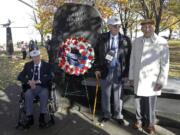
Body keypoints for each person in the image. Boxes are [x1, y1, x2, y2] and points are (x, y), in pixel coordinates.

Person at [128, 19, 169, 134]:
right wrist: (131, 77)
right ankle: (139, 120)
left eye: (149, 27)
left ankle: (151, 124)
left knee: (151, 103)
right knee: (137, 101)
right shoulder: (136, 41)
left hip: (152, 79)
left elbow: (165, 63)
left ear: (154, 27)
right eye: (144, 27)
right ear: (141, 28)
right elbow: (132, 60)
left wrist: (161, 80)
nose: (147, 29)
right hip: (138, 77)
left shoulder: (162, 42)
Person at [95, 16, 131, 125]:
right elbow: (95, 54)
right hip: (105, 69)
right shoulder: (101, 38)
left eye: (119, 26)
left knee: (118, 94)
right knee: (105, 94)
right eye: (114, 26)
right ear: (109, 26)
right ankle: (106, 115)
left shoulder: (125, 39)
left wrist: (126, 73)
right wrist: (96, 68)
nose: (117, 28)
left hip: (119, 70)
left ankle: (118, 115)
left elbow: (129, 58)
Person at [18, 49, 52, 128]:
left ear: (40, 56)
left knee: (44, 94)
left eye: (37, 56)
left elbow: (51, 76)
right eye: (33, 57)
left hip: (43, 86)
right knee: (28, 94)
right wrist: (29, 81)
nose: (36, 59)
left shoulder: (47, 65)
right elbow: (20, 76)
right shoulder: (28, 65)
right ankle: (30, 118)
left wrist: (37, 81)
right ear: (31, 58)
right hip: (31, 87)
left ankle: (42, 117)